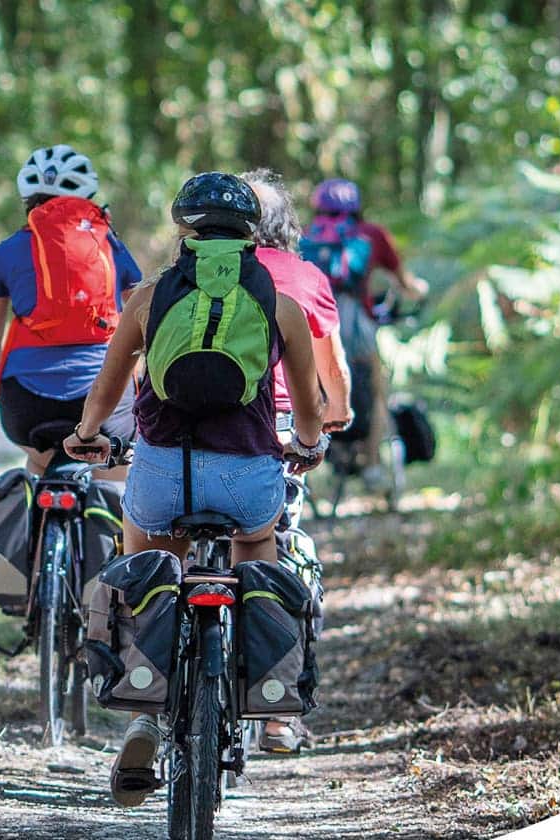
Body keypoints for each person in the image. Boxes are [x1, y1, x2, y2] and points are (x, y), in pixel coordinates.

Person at [62, 172, 328, 806]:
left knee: (146, 565)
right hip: (247, 477)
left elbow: (106, 390)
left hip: (161, 474)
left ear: (184, 230)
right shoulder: (278, 304)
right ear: (250, 235)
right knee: (257, 555)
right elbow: (310, 405)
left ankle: (143, 719)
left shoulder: (150, 298)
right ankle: (266, 699)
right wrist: (308, 445)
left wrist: (87, 434)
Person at [240, 168, 347, 756]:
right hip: (278, 434)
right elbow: (333, 376)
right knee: (284, 553)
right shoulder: (304, 279)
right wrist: (337, 420)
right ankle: (278, 712)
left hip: (184, 440)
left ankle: (153, 705)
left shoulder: (177, 281)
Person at [0, 144, 144, 479]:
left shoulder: (6, 252)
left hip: (27, 404)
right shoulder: (110, 246)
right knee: (114, 472)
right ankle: (112, 520)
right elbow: (144, 318)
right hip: (105, 396)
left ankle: (39, 519)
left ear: (28, 202)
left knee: (39, 464)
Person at [306, 178, 427, 480]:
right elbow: (405, 282)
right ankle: (372, 462)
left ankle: (308, 457)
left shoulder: (305, 237)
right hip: (356, 327)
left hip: (311, 326)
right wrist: (420, 291)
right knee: (376, 390)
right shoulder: (372, 235)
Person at [240, 169, 353, 437]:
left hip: (185, 427)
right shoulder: (307, 276)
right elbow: (332, 365)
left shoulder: (194, 269)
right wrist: (339, 410)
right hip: (273, 422)